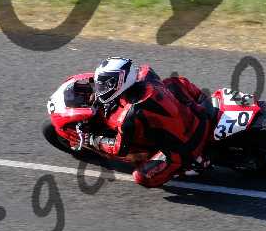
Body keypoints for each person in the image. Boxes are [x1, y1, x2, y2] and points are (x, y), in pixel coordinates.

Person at [71, 56, 213, 188]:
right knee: (172, 82)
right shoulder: (146, 73)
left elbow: (119, 149)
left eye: (104, 86)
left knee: (141, 176)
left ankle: (191, 165)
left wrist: (94, 140)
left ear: (119, 83)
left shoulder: (129, 115)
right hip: (198, 115)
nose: (100, 89)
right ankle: (204, 99)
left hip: (187, 143)